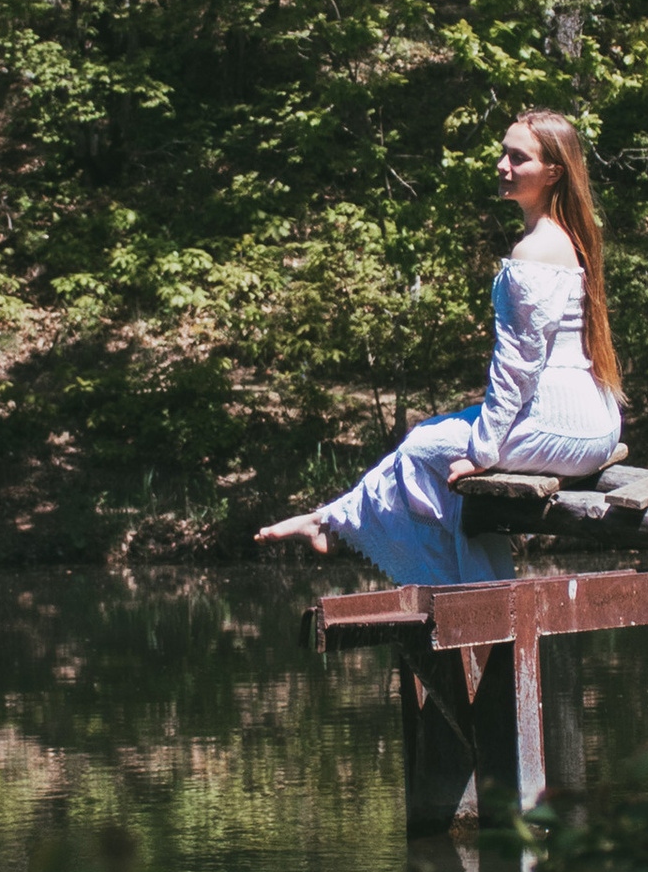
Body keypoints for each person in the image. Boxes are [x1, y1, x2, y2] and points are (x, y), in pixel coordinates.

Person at [257, 111, 625, 585]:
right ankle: (330, 520)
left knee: (422, 449)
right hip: (591, 423)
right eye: (503, 153)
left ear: (553, 172)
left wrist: (484, 452)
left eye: (518, 158)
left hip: (562, 425)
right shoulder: (561, 236)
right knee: (430, 434)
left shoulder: (535, 250)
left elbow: (517, 368)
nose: (502, 165)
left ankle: (463, 590)